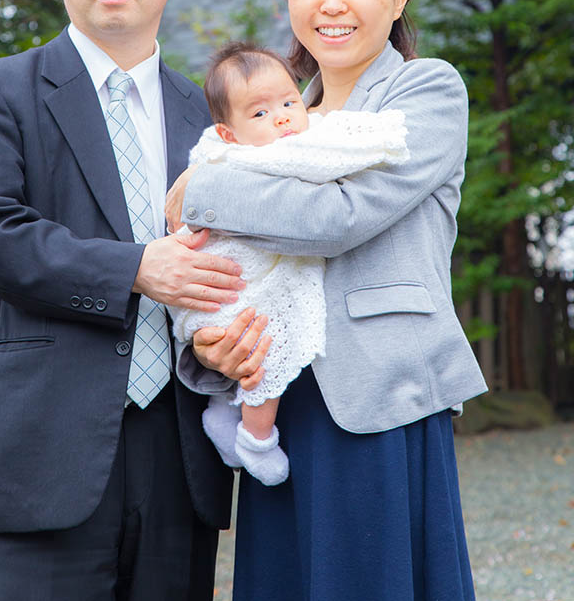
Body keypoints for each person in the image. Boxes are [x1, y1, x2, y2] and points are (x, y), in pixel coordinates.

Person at [0, 0, 247, 601]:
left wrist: (235, 336)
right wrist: (135, 267)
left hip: (180, 449)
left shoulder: (211, 116)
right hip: (41, 449)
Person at [166, 0, 489, 601]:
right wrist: (213, 347)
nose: (332, 3)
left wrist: (202, 189)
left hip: (377, 397)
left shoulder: (422, 91)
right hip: (280, 403)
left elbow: (336, 217)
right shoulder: (281, 113)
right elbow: (227, 257)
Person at [169, 40, 409, 487]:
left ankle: (225, 413)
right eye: (259, 113)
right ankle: (257, 437)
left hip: (245, 278)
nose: (280, 116)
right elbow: (327, 161)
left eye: (287, 102)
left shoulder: (224, 159)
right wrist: (381, 140)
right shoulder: (268, 152)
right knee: (268, 343)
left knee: (251, 343)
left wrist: (202, 186)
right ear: (227, 132)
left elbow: (333, 213)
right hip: (238, 278)